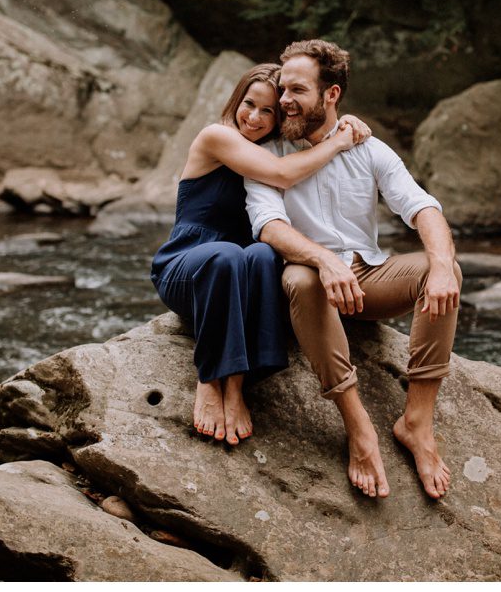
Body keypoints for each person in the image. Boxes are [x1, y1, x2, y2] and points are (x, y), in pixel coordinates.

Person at [244, 40, 461, 500]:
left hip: (367, 278)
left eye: (297, 90)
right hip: (308, 287)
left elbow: (421, 206)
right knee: (301, 277)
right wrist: (322, 260)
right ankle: (358, 425)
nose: (284, 100)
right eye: (283, 88)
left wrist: (442, 265)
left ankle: (416, 423)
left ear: (331, 94)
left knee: (441, 270)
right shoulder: (267, 151)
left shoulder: (368, 147)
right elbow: (268, 225)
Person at [151, 63, 370, 446]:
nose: (253, 117)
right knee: (229, 255)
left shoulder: (283, 150)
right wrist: (339, 142)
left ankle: (236, 387)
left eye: (267, 111)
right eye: (249, 104)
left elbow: (316, 134)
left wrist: (343, 124)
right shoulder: (217, 136)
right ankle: (209, 378)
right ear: (237, 99)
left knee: (263, 255)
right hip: (187, 267)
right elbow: (282, 174)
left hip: (242, 273)